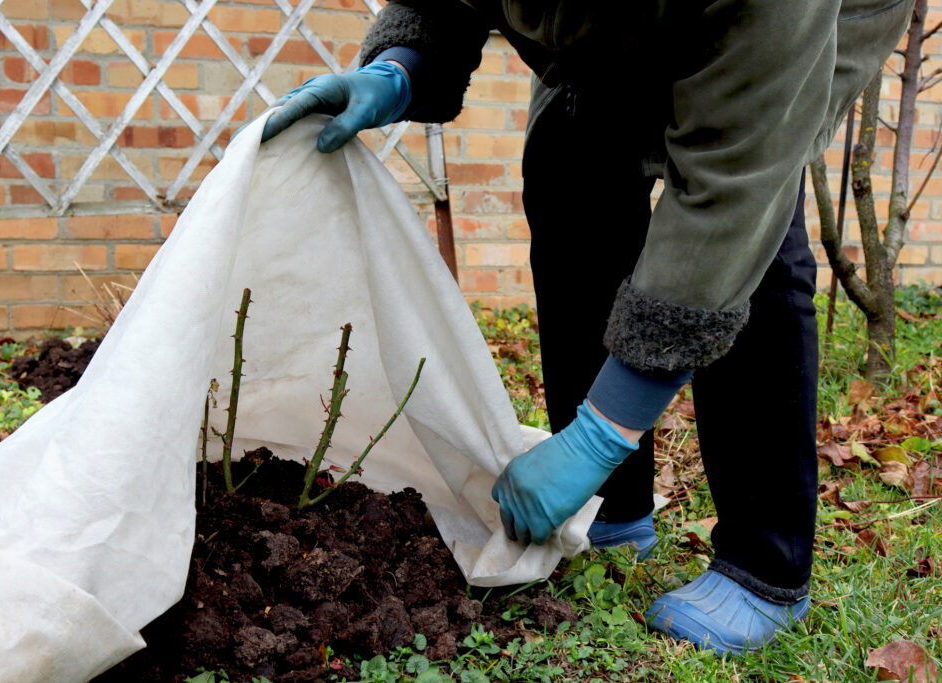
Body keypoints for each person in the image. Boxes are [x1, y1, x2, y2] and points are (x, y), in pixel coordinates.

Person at [260, 0, 913, 654]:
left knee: (755, 235)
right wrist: (404, 64)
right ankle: (614, 510)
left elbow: (733, 190)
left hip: (805, 20)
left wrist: (601, 433)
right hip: (626, 22)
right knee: (569, 157)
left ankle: (766, 565)